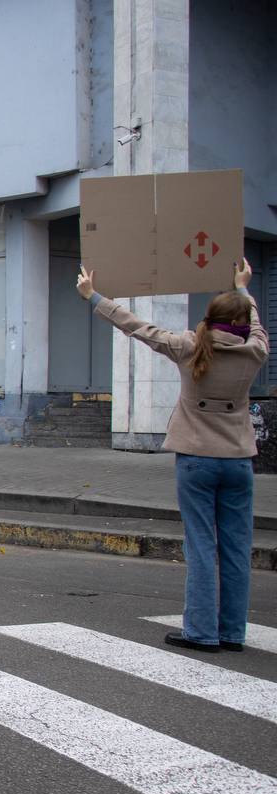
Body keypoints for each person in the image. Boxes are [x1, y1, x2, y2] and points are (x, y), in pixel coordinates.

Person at [77, 259, 267, 653]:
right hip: (238, 462)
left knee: (200, 546)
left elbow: (137, 327)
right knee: (235, 548)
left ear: (208, 319)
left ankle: (201, 631)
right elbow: (257, 325)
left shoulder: (189, 346)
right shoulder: (255, 352)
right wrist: (243, 289)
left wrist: (93, 296)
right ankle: (232, 632)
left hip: (196, 460)